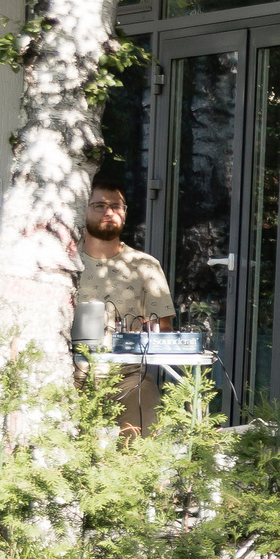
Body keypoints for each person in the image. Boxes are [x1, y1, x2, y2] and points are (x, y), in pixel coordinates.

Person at [76, 174, 175, 434]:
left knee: (144, 427)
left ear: (125, 213)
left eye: (116, 207)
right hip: (69, 374)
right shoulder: (65, 261)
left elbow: (162, 330)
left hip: (127, 376)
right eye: (99, 206)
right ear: (82, 210)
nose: (109, 212)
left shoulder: (145, 265)